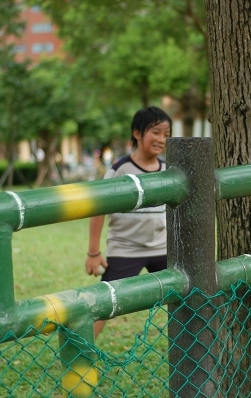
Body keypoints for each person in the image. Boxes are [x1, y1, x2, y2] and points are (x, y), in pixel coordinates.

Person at [85, 106, 172, 339]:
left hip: (162, 248)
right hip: (125, 248)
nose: (162, 139)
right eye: (155, 132)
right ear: (137, 133)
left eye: (166, 134)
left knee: (186, 297)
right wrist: (93, 252)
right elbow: (98, 209)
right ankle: (79, 351)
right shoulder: (119, 169)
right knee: (105, 305)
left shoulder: (168, 170)